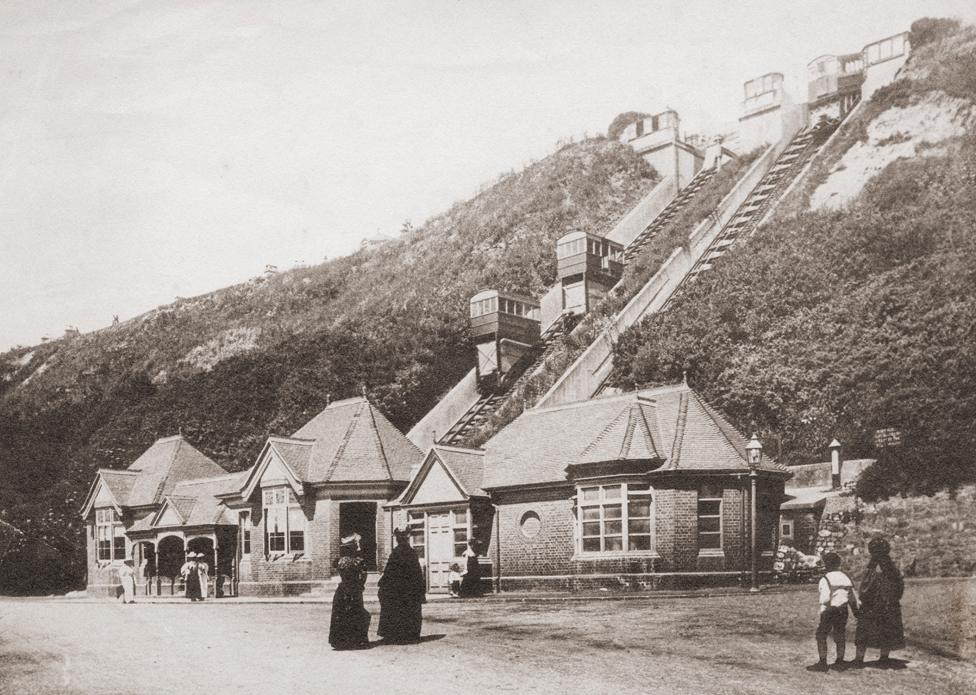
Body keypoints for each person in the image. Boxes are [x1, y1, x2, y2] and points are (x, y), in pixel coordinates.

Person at [853, 536, 905, 668]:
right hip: (888, 604)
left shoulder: (872, 570)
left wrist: (864, 599)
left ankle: (859, 658)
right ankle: (884, 657)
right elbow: (899, 586)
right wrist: (894, 599)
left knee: (864, 630)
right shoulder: (892, 569)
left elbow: (865, 588)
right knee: (886, 629)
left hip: (873, 605)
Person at [809, 552, 858, 672]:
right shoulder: (846, 577)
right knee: (840, 634)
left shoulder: (825, 579)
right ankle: (840, 660)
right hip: (843, 610)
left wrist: (822, 610)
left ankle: (822, 662)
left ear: (826, 565)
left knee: (821, 635)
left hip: (830, 610)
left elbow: (825, 599)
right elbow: (852, 596)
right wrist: (855, 611)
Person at [377, 528, 426, 643]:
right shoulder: (412, 552)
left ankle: (395, 634)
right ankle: (409, 634)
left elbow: (390, 571)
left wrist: (382, 582)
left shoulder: (396, 552)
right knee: (409, 609)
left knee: (395, 608)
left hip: (397, 588)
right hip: (410, 588)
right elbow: (417, 572)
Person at [329, 537, 371, 650]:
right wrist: (361, 585)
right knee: (357, 613)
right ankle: (357, 640)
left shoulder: (339, 561)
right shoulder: (358, 561)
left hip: (342, 589)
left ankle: (340, 641)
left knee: (341, 613)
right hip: (354, 589)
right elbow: (363, 576)